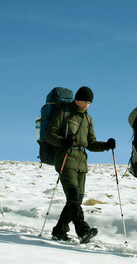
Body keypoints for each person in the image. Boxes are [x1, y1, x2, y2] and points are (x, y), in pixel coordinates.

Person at [45, 86, 116, 244]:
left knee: (75, 200)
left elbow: (91, 143)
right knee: (74, 196)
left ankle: (59, 230)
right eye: (84, 101)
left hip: (82, 162)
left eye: (89, 103)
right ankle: (82, 230)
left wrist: (106, 145)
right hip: (65, 157)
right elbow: (49, 134)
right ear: (77, 99)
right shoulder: (64, 112)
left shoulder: (88, 119)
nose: (86, 105)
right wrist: (63, 142)